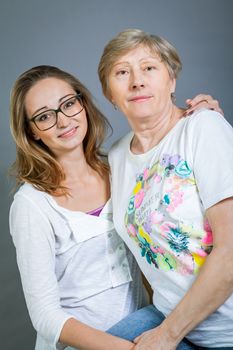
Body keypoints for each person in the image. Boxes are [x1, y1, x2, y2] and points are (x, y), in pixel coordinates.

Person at [9, 65, 222, 350]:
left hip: (146, 329)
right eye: (45, 116)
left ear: (83, 104)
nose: (63, 121)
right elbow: (45, 317)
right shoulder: (31, 204)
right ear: (32, 132)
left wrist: (201, 118)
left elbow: (171, 147)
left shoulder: (121, 166)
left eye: (69, 104)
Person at [98, 29, 233, 349]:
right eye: (121, 72)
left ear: (171, 80)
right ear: (109, 94)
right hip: (171, 319)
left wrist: (166, 336)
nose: (137, 81)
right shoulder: (116, 157)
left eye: (149, 67)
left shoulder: (204, 127)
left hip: (224, 332)